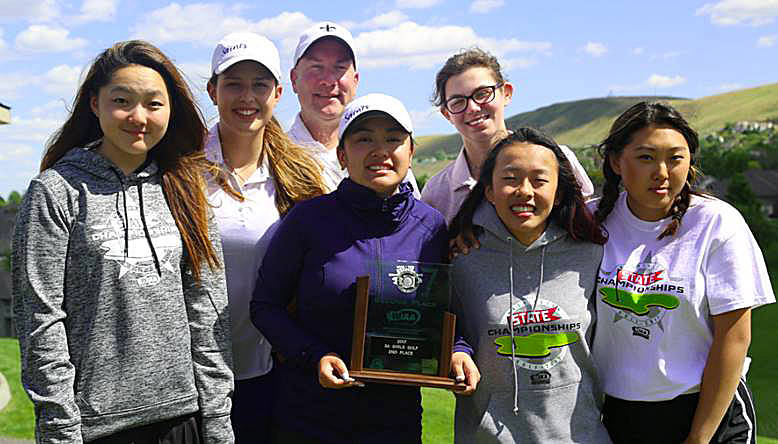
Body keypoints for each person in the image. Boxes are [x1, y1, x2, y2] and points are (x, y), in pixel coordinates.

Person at [12, 41, 233, 443]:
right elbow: (41, 322)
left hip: (184, 418)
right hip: (96, 428)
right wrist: (61, 431)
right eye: (122, 101)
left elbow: (206, 311)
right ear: (95, 104)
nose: (138, 117)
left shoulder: (186, 190)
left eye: (153, 104)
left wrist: (218, 421)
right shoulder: (56, 192)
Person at [250, 93, 447, 444]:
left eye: (393, 138)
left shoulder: (431, 227)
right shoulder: (308, 220)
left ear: (411, 151)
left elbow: (447, 313)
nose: (380, 150)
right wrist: (315, 356)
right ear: (342, 155)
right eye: (363, 139)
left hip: (395, 421)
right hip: (310, 415)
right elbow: (265, 307)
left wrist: (459, 351)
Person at [592, 102, 775, 444]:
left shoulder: (717, 222)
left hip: (711, 415)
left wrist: (699, 438)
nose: (662, 171)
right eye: (646, 157)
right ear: (617, 161)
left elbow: (734, 338)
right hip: (621, 414)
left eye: (675, 158)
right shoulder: (590, 223)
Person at [448, 128, 611, 443]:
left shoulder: (591, 253)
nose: (525, 191)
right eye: (510, 179)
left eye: (539, 180)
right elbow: (442, 328)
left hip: (581, 436)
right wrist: (455, 351)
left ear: (559, 192)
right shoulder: (461, 256)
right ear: (489, 190)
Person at [204, 32, 327, 443]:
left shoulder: (301, 177)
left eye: (259, 85)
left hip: (273, 371)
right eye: (233, 84)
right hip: (194, 375)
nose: (247, 97)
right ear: (212, 91)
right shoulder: (180, 172)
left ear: (277, 93)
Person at [422, 48, 593, 226]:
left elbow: (585, 227)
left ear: (506, 93)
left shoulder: (558, 160)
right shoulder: (436, 194)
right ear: (447, 114)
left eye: (482, 94)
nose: (472, 108)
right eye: (458, 102)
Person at [287, 21, 420, 195]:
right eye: (316, 67)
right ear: (293, 79)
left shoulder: (389, 159)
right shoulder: (274, 158)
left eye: (340, 68)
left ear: (355, 81)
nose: (328, 80)